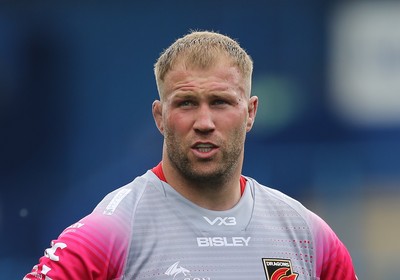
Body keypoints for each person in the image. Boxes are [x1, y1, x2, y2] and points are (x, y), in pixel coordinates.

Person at [24, 30, 357, 280]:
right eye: (186, 103)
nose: (204, 123)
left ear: (251, 112)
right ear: (160, 117)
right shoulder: (112, 232)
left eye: (220, 102)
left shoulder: (307, 235)